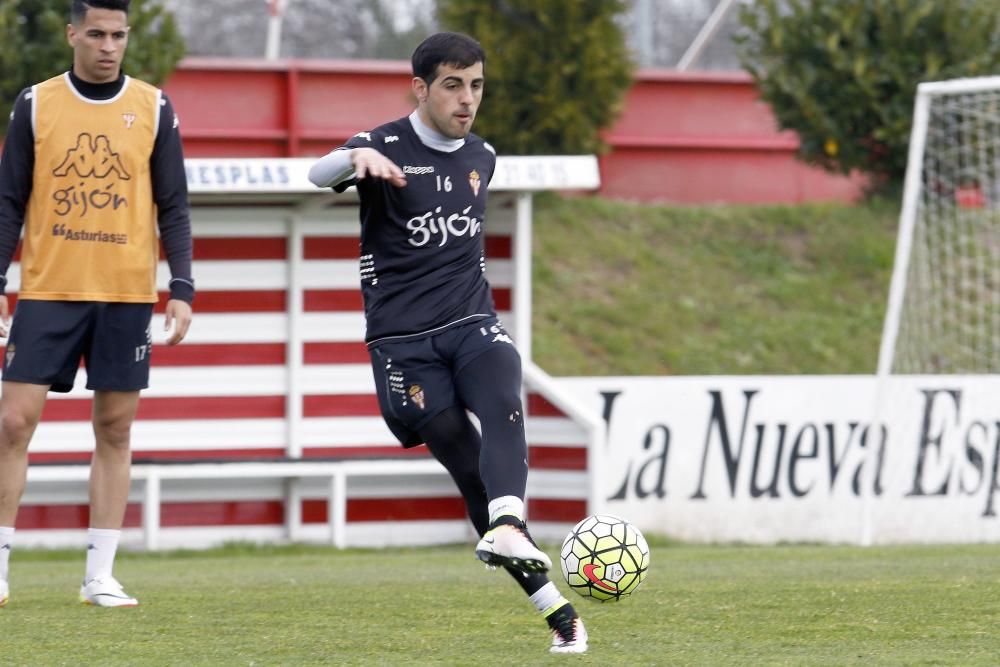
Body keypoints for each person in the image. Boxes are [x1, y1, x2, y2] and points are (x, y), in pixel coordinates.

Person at [308, 32, 587, 654]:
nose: (467, 99)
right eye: (453, 85)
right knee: (467, 465)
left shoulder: (482, 156)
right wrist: (354, 161)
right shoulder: (380, 145)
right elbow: (314, 171)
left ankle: (511, 526)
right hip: (402, 344)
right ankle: (554, 607)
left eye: (477, 85)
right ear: (422, 88)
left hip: (470, 322)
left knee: (504, 394)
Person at [0, 0, 194, 608]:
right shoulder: (35, 103)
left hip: (126, 296)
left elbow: (174, 205)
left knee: (114, 428)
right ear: (73, 33)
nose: (110, 46)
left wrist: (182, 288)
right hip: (48, 291)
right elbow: (9, 201)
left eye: (119, 35)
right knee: (11, 423)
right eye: (98, 34)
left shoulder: (154, 106)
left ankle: (98, 576)